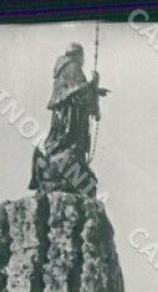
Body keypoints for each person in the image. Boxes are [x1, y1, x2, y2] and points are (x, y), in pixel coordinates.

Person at [30, 43, 109, 194]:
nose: (83, 60)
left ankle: (61, 154)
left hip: (67, 112)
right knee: (68, 137)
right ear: (78, 55)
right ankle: (65, 156)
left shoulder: (63, 68)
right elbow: (78, 90)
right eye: (82, 56)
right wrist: (93, 84)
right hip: (70, 113)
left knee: (65, 138)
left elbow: (78, 89)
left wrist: (95, 90)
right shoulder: (72, 66)